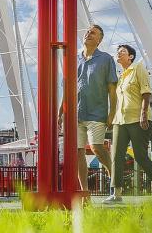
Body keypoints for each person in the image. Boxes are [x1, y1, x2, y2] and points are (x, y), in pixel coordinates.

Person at [59, 24, 118, 191]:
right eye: (87, 32)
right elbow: (67, 89)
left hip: (97, 112)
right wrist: (60, 112)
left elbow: (112, 88)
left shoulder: (106, 59)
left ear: (99, 40)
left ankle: (114, 176)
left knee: (96, 148)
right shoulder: (73, 59)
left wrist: (112, 112)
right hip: (76, 113)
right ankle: (84, 191)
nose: (89, 34)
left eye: (93, 33)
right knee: (78, 153)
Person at [104, 44, 152, 203]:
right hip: (120, 120)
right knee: (116, 156)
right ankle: (116, 194)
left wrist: (143, 114)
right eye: (117, 52)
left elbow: (146, 92)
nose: (118, 54)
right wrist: (111, 117)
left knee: (140, 155)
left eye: (122, 51)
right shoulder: (120, 76)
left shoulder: (138, 68)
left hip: (138, 119)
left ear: (130, 56)